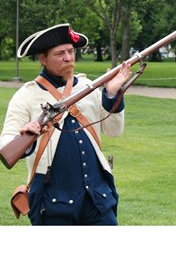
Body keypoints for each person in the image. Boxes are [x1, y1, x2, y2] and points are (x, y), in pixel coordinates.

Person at [0, 23, 132, 225]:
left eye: (71, 51)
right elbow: (6, 144)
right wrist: (24, 136)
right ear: (43, 59)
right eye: (60, 53)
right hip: (52, 202)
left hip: (97, 198)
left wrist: (112, 94)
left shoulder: (88, 88)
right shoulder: (26, 95)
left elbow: (114, 131)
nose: (68, 58)